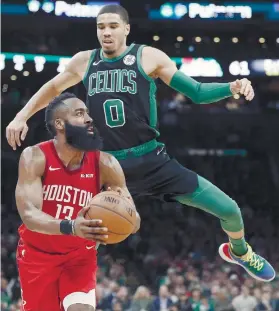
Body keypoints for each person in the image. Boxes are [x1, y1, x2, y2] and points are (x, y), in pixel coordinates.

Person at [6, 4, 275, 282]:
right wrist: (21, 116)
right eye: (101, 27)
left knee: (230, 210)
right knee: (76, 241)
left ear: (126, 28)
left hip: (153, 162)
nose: (106, 32)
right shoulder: (84, 61)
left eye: (112, 26)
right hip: (107, 169)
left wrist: (230, 87)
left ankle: (240, 252)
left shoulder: (148, 57)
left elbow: (196, 92)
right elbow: (52, 88)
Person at [15, 92, 140, 311]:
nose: (89, 119)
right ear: (60, 124)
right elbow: (29, 215)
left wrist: (122, 218)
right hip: (37, 256)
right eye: (80, 114)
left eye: (88, 113)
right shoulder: (35, 157)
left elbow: (134, 220)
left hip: (79, 258)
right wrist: (71, 226)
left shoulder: (106, 164)